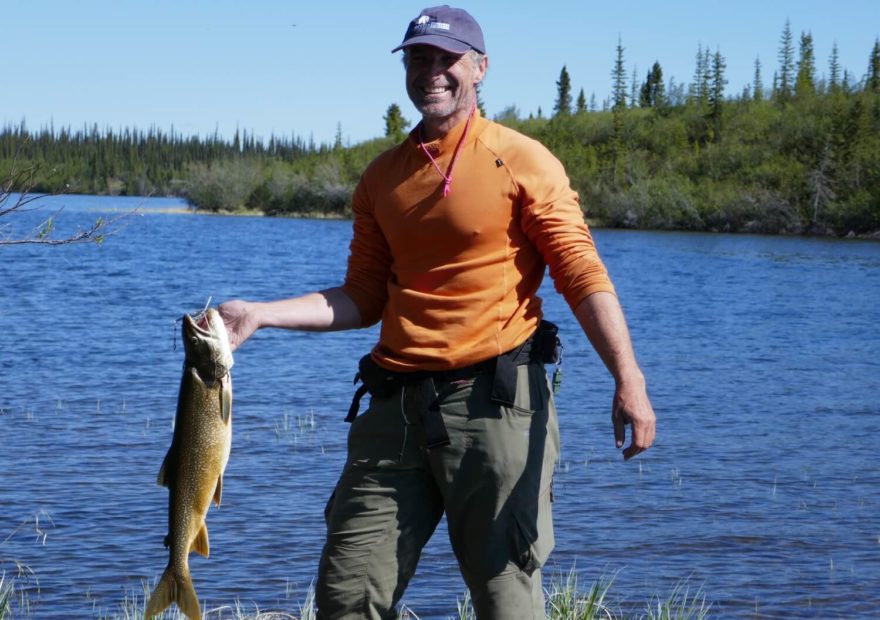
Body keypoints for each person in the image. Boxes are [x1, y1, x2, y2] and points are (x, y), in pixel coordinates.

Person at [219, 5, 655, 619]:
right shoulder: (381, 178)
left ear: (479, 68)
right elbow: (364, 297)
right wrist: (260, 314)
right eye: (418, 58)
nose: (432, 72)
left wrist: (627, 378)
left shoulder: (522, 159)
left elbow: (581, 275)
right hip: (393, 408)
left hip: (496, 404)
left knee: (506, 593)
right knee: (348, 593)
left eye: (446, 59)